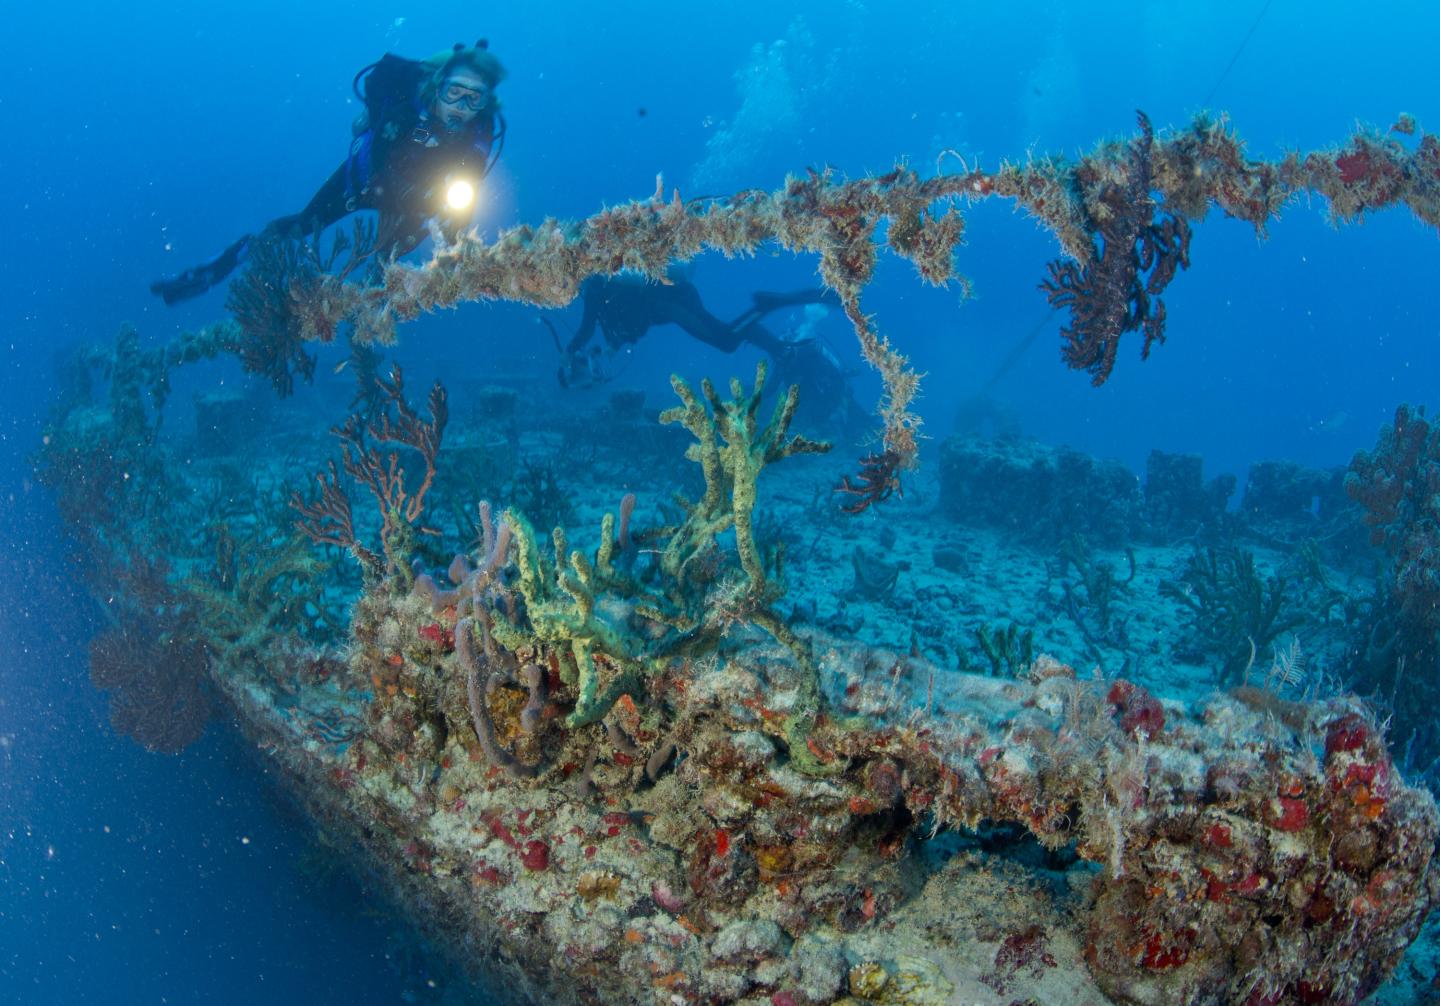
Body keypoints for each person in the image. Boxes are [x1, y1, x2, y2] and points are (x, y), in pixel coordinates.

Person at [150, 41, 506, 305]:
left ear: (486, 102)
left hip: (419, 205)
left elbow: (469, 186)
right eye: (454, 92)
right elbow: (381, 156)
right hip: (363, 183)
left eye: (474, 98)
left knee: (389, 262)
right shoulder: (408, 107)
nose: (461, 106)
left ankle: (370, 306)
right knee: (300, 226)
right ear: (437, 87)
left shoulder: (481, 129)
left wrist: (457, 248)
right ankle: (217, 267)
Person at [553, 267, 868, 431]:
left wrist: (569, 350)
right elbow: (627, 326)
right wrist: (608, 347)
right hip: (673, 302)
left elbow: (585, 329)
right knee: (728, 339)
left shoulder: (593, 288)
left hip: (674, 303)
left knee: (728, 340)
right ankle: (775, 337)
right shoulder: (604, 290)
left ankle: (774, 304)